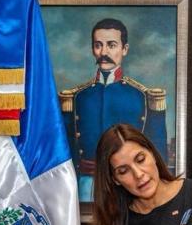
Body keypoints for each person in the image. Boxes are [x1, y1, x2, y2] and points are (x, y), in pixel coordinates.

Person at [62, 18, 169, 203]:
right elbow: (67, 150)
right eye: (98, 45)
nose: (104, 52)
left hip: (131, 187)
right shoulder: (77, 97)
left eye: (111, 45)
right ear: (92, 49)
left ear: (124, 49)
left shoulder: (143, 97)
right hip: (86, 185)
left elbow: (158, 153)